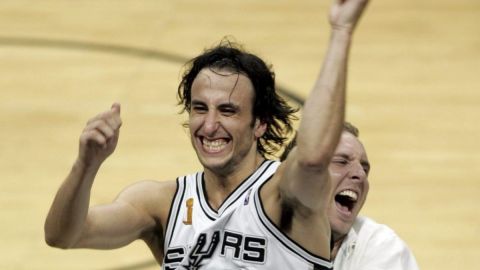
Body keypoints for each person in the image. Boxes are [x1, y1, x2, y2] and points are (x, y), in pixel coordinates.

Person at [44, 0, 369, 269]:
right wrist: (85, 165)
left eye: (227, 111)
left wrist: (341, 32)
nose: (210, 125)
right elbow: (64, 235)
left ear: (260, 124)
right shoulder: (162, 203)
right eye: (200, 108)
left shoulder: (283, 193)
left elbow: (313, 158)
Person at [281, 122, 419, 269]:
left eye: (365, 169)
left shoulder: (382, 247)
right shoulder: (256, 232)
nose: (360, 175)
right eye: (341, 162)